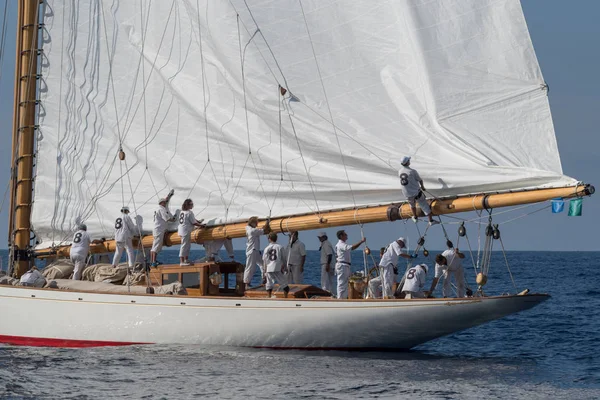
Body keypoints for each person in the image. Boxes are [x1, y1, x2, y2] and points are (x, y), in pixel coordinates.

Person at [398, 156, 438, 226]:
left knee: (412, 205)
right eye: (408, 160)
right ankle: (431, 221)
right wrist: (423, 187)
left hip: (407, 194)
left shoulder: (400, 171)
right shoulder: (412, 171)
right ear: (407, 162)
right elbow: (420, 180)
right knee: (424, 205)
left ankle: (415, 217)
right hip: (416, 193)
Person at [335, 230, 366, 299]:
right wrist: (361, 241)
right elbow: (352, 247)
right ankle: (340, 299)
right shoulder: (341, 244)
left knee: (345, 283)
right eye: (345, 234)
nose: (347, 235)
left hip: (345, 265)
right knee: (341, 283)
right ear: (341, 236)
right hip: (342, 265)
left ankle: (343, 298)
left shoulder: (341, 244)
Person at [244, 216, 271, 290]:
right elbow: (265, 231)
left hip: (255, 250)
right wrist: (267, 222)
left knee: (262, 264)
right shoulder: (252, 231)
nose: (257, 224)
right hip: (252, 251)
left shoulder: (250, 229)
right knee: (250, 267)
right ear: (253, 223)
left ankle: (264, 279)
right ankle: (246, 283)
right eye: (256, 223)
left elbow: (262, 230)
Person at [150, 192, 175, 267]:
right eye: (164, 202)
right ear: (161, 203)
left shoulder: (158, 208)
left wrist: (168, 196)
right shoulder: (162, 209)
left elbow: (165, 203)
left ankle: (153, 261)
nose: (165, 204)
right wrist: (173, 219)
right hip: (159, 230)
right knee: (156, 246)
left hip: (157, 229)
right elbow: (166, 218)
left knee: (154, 246)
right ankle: (153, 262)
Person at [262, 233, 290, 298]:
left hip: (269, 268)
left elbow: (264, 260)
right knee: (284, 284)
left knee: (269, 284)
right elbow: (283, 258)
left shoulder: (266, 248)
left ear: (269, 239)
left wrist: (264, 271)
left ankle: (269, 296)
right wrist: (285, 267)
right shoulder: (280, 247)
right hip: (277, 267)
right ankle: (286, 297)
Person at [178, 198, 204, 266]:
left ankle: (186, 259)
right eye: (191, 204)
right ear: (188, 205)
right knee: (184, 245)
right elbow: (193, 222)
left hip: (182, 230)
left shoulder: (182, 212)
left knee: (187, 245)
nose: (192, 205)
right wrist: (201, 225)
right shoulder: (189, 212)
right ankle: (182, 261)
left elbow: (193, 219)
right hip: (185, 230)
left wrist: (198, 221)